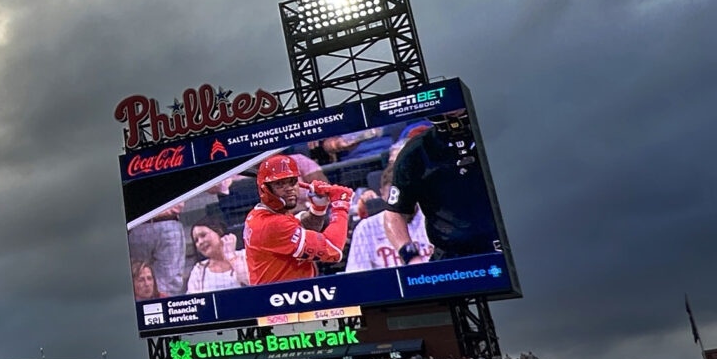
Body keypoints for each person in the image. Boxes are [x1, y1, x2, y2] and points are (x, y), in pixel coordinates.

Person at [373, 117, 497, 261]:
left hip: (513, 248)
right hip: (453, 260)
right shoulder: (415, 152)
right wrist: (411, 257)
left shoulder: (499, 134)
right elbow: (394, 213)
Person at [243, 153, 355, 284]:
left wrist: (318, 208)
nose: (289, 189)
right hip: (281, 298)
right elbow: (333, 250)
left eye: (292, 182)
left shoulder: (265, 213)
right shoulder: (271, 224)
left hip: (287, 294)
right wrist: (341, 205)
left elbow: (301, 228)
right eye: (280, 184)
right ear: (265, 189)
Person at [184, 221, 244, 295]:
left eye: (203, 235)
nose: (200, 242)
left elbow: (251, 283)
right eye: (196, 240)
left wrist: (231, 256)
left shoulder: (244, 256)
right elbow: (193, 300)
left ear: (219, 232)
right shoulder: (198, 270)